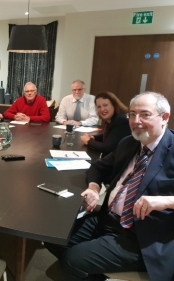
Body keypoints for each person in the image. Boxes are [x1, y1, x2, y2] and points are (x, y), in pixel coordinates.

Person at [45, 92, 174, 281]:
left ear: (164, 118)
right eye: (132, 114)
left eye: (145, 114)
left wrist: (166, 201)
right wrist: (94, 188)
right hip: (108, 218)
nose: (136, 121)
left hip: (141, 236)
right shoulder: (129, 143)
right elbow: (98, 167)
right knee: (52, 236)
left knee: (72, 260)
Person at [80, 91, 130, 156]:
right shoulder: (114, 118)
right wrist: (94, 138)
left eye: (105, 105)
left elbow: (107, 148)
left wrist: (88, 141)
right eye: (99, 107)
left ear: (114, 105)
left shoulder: (121, 120)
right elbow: (111, 135)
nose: (102, 109)